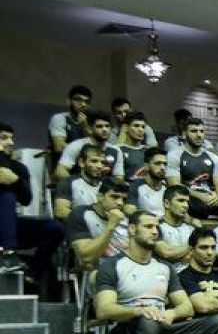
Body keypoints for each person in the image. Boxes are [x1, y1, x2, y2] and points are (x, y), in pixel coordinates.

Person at [0, 122, 65, 279]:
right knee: (7, 196)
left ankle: (31, 274)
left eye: (11, 138)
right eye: (3, 138)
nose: (11, 142)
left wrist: (15, 181)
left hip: (7, 226)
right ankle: (8, 254)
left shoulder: (18, 167)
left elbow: (26, 199)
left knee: (55, 228)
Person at [165, 117, 218, 219]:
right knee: (199, 208)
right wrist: (201, 196)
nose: (199, 135)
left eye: (201, 131)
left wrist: (217, 197)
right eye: (194, 131)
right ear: (185, 134)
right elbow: (174, 185)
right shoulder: (174, 156)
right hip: (188, 196)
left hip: (210, 196)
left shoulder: (213, 157)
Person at [65, 178, 129, 267]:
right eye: (114, 197)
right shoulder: (80, 214)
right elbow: (86, 257)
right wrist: (111, 225)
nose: (120, 203)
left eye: (124, 199)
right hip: (95, 270)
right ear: (100, 197)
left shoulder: (127, 218)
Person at [54, 109, 124, 182]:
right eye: (99, 126)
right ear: (91, 128)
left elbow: (119, 178)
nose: (104, 129)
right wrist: (78, 185)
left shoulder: (116, 150)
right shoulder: (76, 145)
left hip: (103, 188)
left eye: (107, 126)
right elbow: (60, 172)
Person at [155, 185, 195, 272]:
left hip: (190, 275)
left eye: (187, 202)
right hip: (165, 275)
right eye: (181, 200)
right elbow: (166, 253)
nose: (186, 205)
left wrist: (178, 254)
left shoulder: (191, 228)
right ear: (167, 203)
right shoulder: (155, 226)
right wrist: (192, 246)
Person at [49, 85, 91, 157]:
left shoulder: (91, 122)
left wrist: (85, 128)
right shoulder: (60, 118)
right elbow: (60, 147)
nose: (83, 104)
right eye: (78, 100)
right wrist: (87, 152)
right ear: (68, 101)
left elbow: (97, 147)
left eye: (87, 102)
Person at [126, 147, 167, 217]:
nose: (162, 168)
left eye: (165, 164)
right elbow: (130, 210)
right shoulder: (135, 186)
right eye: (158, 163)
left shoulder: (167, 189)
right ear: (146, 166)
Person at [116, 111, 150, 181]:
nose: (140, 130)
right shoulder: (118, 150)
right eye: (136, 126)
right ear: (126, 128)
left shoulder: (149, 151)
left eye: (143, 127)